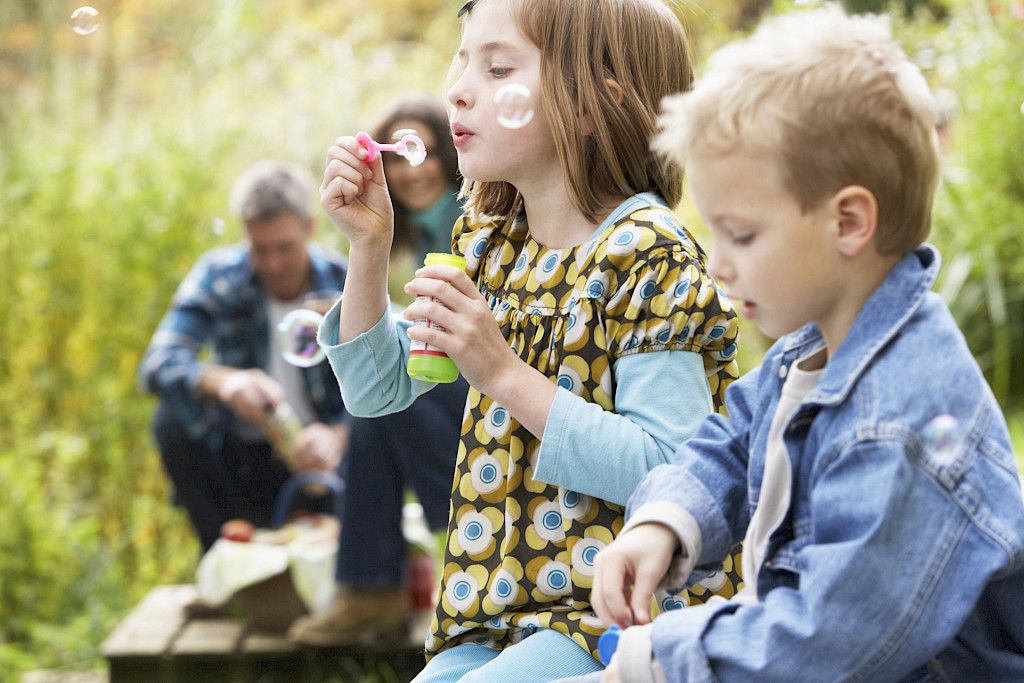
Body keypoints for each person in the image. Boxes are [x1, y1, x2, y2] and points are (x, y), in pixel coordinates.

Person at [577, 6, 1024, 682]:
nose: (718, 264)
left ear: (847, 222)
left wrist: (656, 659)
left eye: (742, 235)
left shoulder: (898, 421)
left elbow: (825, 643)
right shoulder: (812, 348)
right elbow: (732, 438)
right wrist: (663, 522)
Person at [315, 0, 741, 679]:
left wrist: (503, 373)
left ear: (590, 103)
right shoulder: (490, 245)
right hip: (495, 609)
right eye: (462, 59)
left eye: (497, 67)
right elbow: (376, 391)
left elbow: (675, 468)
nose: (457, 86)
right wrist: (369, 245)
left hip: (623, 611)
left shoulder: (644, 254)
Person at [288, 97, 470, 647]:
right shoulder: (407, 233)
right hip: (456, 381)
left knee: (383, 409)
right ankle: (380, 586)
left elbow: (454, 329)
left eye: (427, 151)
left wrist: (377, 323)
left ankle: (373, 588)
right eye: (401, 156)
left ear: (450, 153)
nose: (414, 169)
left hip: (490, 391)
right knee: (372, 411)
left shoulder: (471, 220)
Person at [139, 161, 350, 553]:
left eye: (284, 247)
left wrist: (339, 436)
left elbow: (389, 383)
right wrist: (223, 383)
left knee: (372, 437)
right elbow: (157, 362)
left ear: (310, 227)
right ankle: (218, 556)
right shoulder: (219, 276)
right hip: (242, 461)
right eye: (260, 248)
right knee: (172, 421)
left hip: (326, 464)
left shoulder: (346, 282)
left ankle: (361, 571)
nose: (272, 264)